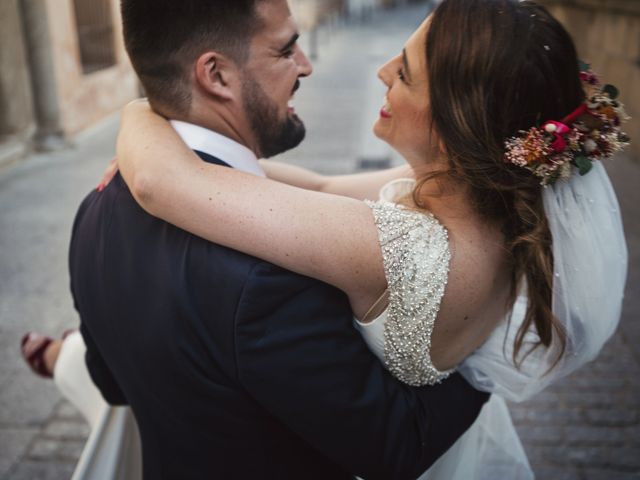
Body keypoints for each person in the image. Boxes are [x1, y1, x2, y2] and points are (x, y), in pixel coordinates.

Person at [110, 0, 627, 478]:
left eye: (404, 73)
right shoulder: (488, 203)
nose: (382, 73)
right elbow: (323, 187)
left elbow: (163, 185)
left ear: (455, 120)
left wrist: (144, 109)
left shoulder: (401, 249)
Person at [25, 0, 492, 479]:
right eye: (286, 49)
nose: (305, 65)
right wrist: (492, 353)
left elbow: (111, 384)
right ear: (217, 76)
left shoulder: (95, 211)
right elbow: (396, 445)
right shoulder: (270, 276)